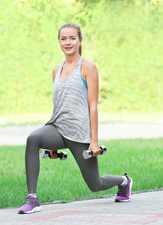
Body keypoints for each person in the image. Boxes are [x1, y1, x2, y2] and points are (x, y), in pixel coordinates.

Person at [18, 23, 132, 214]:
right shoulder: (57, 70)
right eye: (63, 39)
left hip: (80, 133)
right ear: (59, 42)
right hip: (57, 128)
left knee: (95, 184)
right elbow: (59, 105)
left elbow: (93, 106)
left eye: (72, 38)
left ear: (80, 40)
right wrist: (51, 144)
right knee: (33, 139)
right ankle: (32, 198)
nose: (67, 42)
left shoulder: (88, 67)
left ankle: (124, 181)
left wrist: (94, 141)